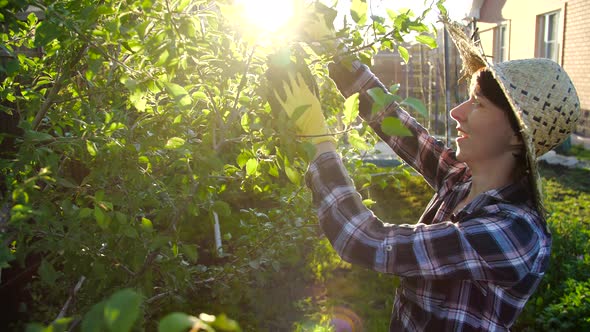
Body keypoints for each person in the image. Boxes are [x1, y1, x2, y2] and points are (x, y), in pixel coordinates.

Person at [266, 15, 581, 331]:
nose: (457, 113)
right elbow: (399, 127)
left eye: (479, 105)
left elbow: (364, 240)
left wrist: (319, 140)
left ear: (516, 135)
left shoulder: (513, 233)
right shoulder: (462, 180)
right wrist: (335, 50)